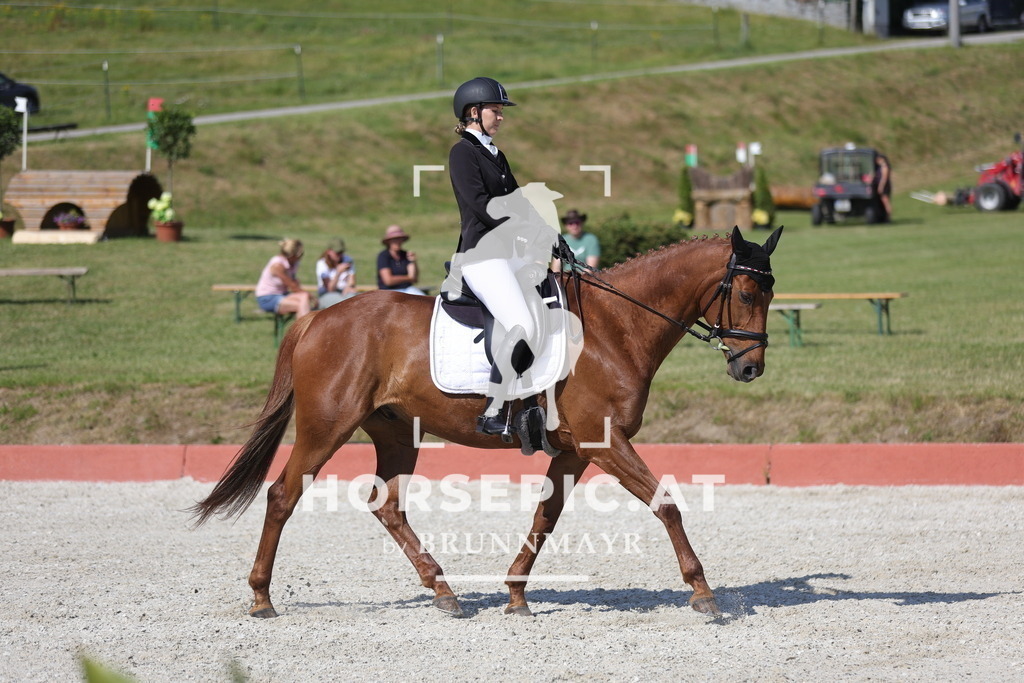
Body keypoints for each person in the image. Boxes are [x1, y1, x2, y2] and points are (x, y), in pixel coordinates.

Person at [447, 76, 557, 438]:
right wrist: (523, 233)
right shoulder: (462, 153)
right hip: (482, 257)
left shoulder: (495, 153)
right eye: (496, 110)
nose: (501, 117)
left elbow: (519, 202)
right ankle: (494, 410)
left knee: (550, 310)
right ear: (474, 112)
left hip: (509, 256)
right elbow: (480, 206)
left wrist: (549, 234)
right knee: (521, 323)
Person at [255, 238, 314, 318]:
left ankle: (303, 328)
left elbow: (294, 283)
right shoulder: (278, 265)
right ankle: (303, 329)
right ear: (293, 255)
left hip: (283, 294)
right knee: (302, 305)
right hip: (267, 298)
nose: (301, 256)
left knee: (304, 297)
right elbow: (293, 286)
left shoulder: (293, 263)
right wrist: (313, 298)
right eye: (301, 253)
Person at [376, 225, 425, 295]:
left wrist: (413, 262)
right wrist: (408, 278)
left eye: (399, 239)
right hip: (388, 291)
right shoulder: (383, 256)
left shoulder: (405, 255)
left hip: (407, 289)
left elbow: (414, 278)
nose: (398, 242)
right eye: (395, 239)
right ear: (389, 241)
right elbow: (388, 281)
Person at [315, 237, 358, 308]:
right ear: (329, 251)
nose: (340, 255)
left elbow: (352, 282)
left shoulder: (348, 260)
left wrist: (348, 287)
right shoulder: (322, 264)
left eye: (341, 252)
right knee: (344, 302)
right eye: (337, 253)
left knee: (355, 298)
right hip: (326, 294)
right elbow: (330, 289)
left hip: (344, 293)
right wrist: (338, 272)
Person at [874, 152, 892, 222]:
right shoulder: (881, 167)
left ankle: (888, 217)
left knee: (886, 202)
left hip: (884, 186)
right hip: (883, 186)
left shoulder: (885, 167)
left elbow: (884, 178)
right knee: (883, 202)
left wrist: (881, 187)